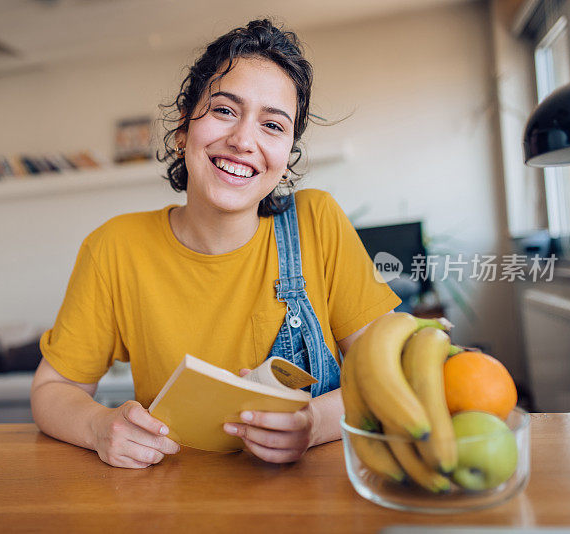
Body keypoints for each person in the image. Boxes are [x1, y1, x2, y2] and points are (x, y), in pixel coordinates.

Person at [31, 19, 400, 468]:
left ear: (286, 159)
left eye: (273, 125)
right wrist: (98, 427)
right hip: (172, 498)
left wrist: (313, 423)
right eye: (225, 110)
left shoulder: (316, 223)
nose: (244, 140)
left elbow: (389, 371)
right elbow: (54, 389)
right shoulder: (114, 248)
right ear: (184, 126)